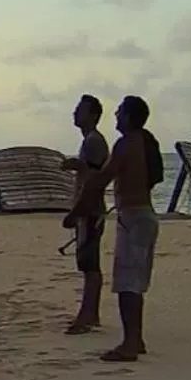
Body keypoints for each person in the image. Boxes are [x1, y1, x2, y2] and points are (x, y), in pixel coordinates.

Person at [66, 95, 165, 362]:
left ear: (130, 117)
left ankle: (130, 343)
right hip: (144, 215)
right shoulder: (147, 142)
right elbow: (154, 176)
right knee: (134, 281)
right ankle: (135, 339)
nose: (116, 116)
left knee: (127, 284)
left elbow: (100, 180)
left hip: (133, 217)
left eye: (120, 112)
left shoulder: (127, 143)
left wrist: (75, 212)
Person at [59, 94, 112, 334]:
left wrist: (76, 212)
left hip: (90, 209)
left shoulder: (93, 141)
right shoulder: (90, 142)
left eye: (80, 110)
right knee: (88, 263)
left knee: (89, 264)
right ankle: (90, 313)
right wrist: (77, 165)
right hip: (89, 208)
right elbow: (91, 170)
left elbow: (93, 181)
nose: (75, 114)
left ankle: (87, 315)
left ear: (92, 115)